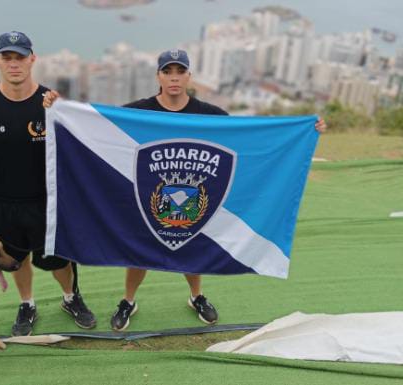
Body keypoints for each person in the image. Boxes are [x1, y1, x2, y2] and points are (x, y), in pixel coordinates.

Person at [43, 49, 327, 332]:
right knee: (138, 250)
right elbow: (97, 124)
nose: (174, 78)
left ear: (190, 76)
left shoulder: (209, 114)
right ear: (159, 76)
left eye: (180, 72)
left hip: (194, 200)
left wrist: (307, 129)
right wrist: (61, 108)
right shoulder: (139, 111)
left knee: (191, 247)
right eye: (168, 72)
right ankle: (128, 300)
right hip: (148, 198)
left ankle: (196, 297)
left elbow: (247, 138)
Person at [0, 31, 96, 336]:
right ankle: (27, 303)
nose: (14, 64)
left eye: (20, 57)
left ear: (32, 59)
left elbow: (82, 144)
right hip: (2, 204)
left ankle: (71, 297)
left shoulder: (53, 104)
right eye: (7, 57)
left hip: (48, 202)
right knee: (14, 260)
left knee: (60, 259)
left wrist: (63, 111)